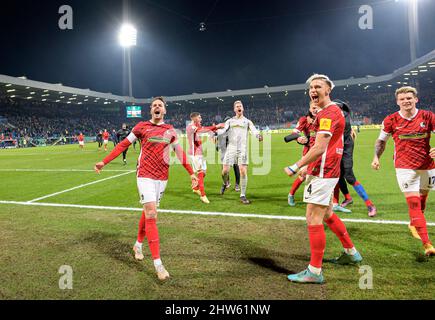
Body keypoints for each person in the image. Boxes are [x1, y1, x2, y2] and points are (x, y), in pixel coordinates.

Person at [94, 97, 198, 281]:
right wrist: (104, 161)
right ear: (151, 110)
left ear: (165, 110)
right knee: (151, 214)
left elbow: (179, 153)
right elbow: (124, 144)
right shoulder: (141, 127)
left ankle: (138, 244)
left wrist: (191, 172)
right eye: (154, 105)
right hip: (144, 174)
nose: (157, 107)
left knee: (148, 211)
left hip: (162, 177)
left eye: (161, 105)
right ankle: (158, 264)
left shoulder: (170, 130)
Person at [284, 74, 362, 284]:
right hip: (327, 170)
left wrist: (297, 165)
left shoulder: (328, 113)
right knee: (327, 213)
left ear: (328, 90)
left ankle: (315, 271)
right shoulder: (330, 112)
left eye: (318, 86)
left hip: (323, 172)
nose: (313, 90)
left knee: (313, 219)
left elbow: (319, 147)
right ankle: (351, 252)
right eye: (311, 87)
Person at [372, 86, 435, 256]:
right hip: (404, 166)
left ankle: (415, 222)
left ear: (416, 99)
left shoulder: (428, 116)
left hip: (428, 165)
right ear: (397, 101)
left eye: (409, 98)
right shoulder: (391, 120)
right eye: (402, 99)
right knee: (413, 203)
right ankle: (427, 243)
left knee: (422, 199)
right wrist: (376, 157)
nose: (406, 101)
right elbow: (381, 141)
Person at [332, 99, 377, 217]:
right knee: (337, 175)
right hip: (335, 147)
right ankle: (346, 198)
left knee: (349, 176)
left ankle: (370, 204)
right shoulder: (336, 115)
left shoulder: (342, 115)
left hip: (345, 147)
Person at [217, 101, 263, 204]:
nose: (239, 107)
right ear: (234, 109)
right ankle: (225, 183)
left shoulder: (247, 122)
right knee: (225, 171)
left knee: (243, 171)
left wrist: (258, 135)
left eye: (240, 106)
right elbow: (224, 130)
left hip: (242, 149)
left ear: (243, 108)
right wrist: (217, 133)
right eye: (237, 106)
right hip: (231, 148)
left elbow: (254, 130)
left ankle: (242, 195)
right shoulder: (230, 121)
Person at [186, 113, 223, 204]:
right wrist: (216, 127)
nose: (201, 118)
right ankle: (203, 195)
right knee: (200, 173)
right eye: (199, 117)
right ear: (194, 118)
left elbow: (205, 130)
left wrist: (213, 133)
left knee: (204, 173)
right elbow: (201, 131)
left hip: (200, 153)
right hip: (195, 154)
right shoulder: (190, 127)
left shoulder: (197, 125)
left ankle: (195, 188)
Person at [287, 104, 316, 207]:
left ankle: (333, 202)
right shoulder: (304, 119)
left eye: (317, 107)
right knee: (304, 174)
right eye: (313, 107)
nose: (315, 109)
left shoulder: (323, 118)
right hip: (309, 152)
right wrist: (298, 138)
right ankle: (291, 194)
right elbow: (294, 133)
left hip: (322, 151)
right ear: (309, 108)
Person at [215, 116, 241, 192]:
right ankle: (229, 183)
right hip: (225, 153)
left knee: (235, 168)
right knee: (227, 169)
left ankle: (235, 184)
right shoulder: (222, 132)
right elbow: (218, 145)